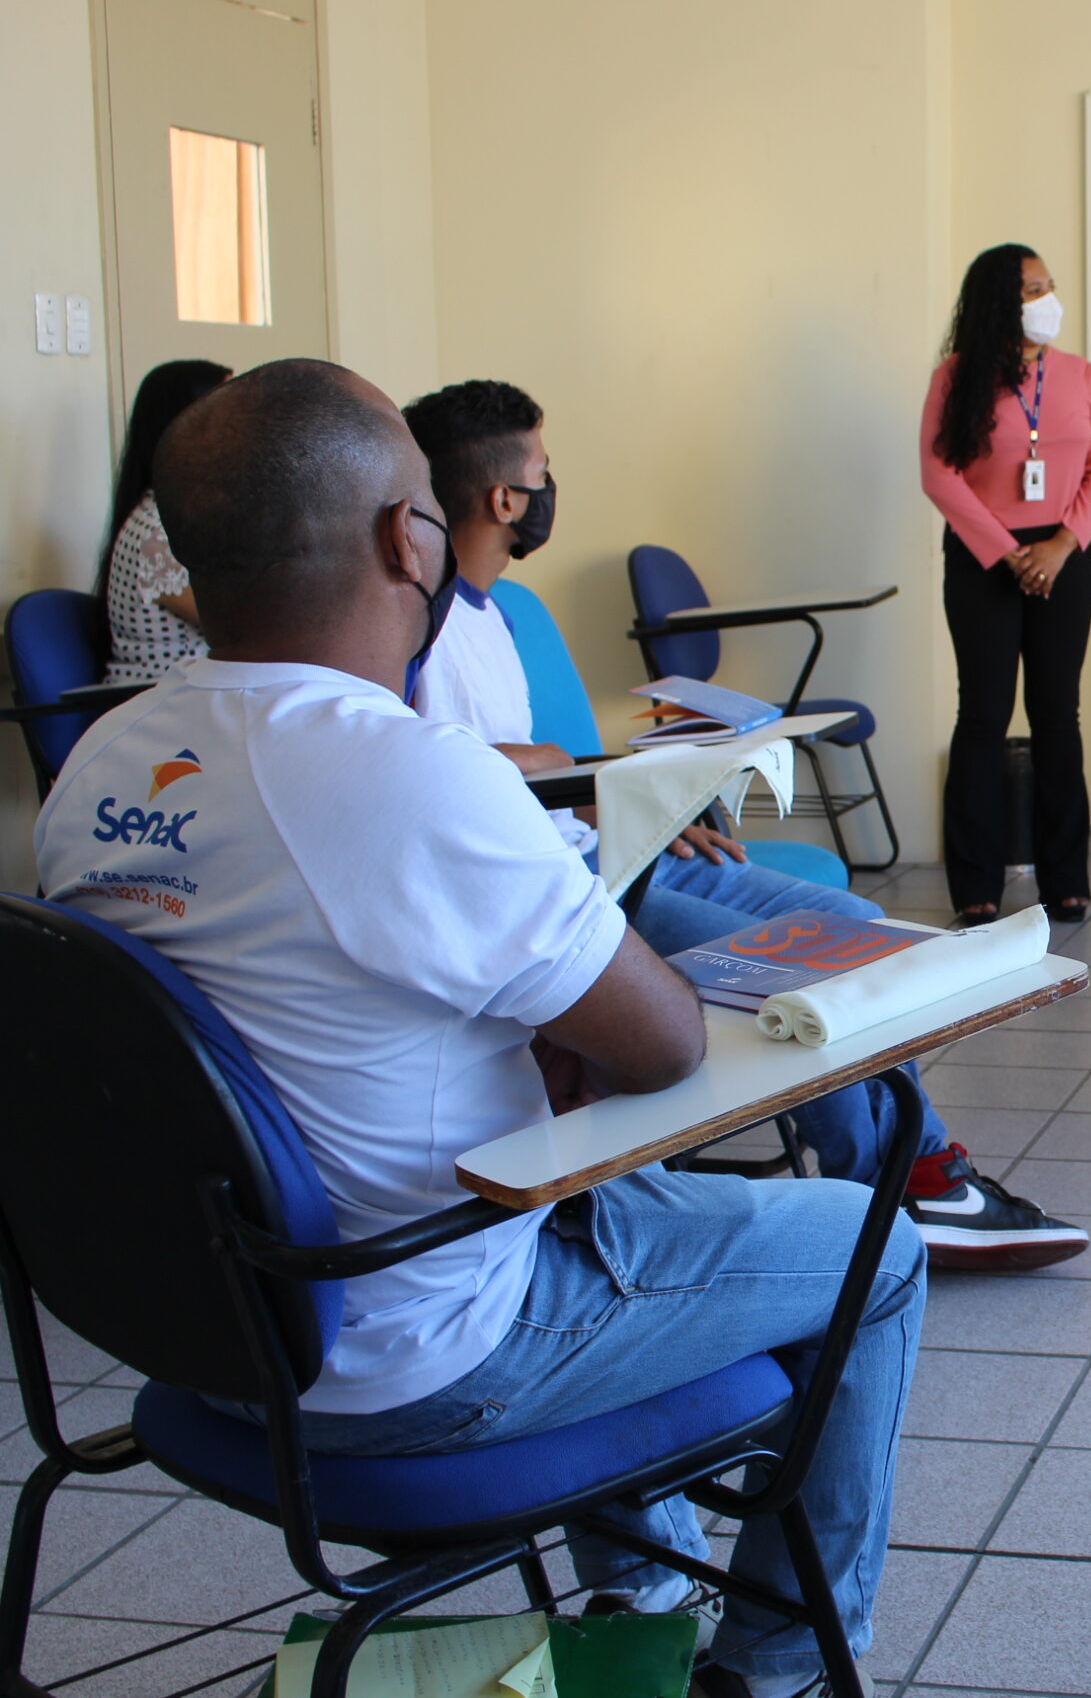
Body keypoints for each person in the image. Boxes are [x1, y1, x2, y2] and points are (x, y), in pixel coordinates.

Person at [35, 359, 923, 1698]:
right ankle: (781, 1663)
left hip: (199, 1334)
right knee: (878, 1244)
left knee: (589, 1187)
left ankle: (644, 1589)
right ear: (412, 535)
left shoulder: (99, 765)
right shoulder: (403, 770)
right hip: (416, 1351)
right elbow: (667, 1043)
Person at [401, 377, 1088, 1272]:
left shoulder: (496, 615)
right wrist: (587, 776)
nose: (548, 487)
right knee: (808, 981)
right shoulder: (426, 628)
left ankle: (921, 1171)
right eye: (543, 470)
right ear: (504, 498)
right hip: (577, 890)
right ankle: (882, 1197)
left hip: (616, 848)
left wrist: (645, 792)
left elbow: (534, 766)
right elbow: (452, 777)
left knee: (860, 931)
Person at [920, 244, 1091, 928]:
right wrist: (1009, 553)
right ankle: (975, 884)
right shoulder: (956, 377)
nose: (1047, 300)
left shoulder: (1079, 375)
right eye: (1032, 289)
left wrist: (1061, 545)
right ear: (998, 303)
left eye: (1049, 286)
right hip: (984, 562)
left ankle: (1065, 879)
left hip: (1065, 558)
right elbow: (939, 474)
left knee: (1058, 714)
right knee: (983, 715)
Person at [96, 358, 230, 683]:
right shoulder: (159, 533)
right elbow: (237, 625)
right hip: (160, 705)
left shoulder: (177, 513)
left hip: (193, 697)